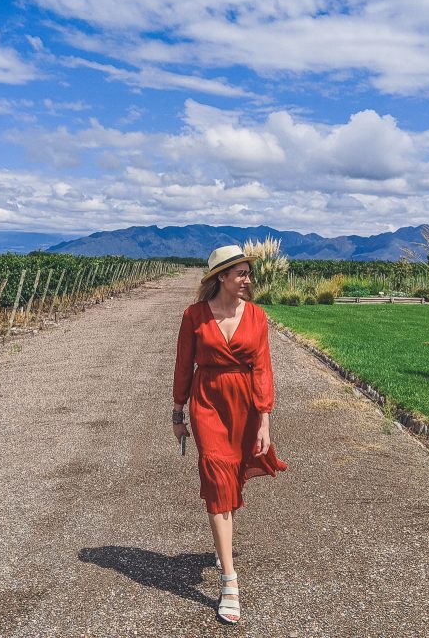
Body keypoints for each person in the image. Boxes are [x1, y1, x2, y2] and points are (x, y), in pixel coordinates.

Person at [172, 244, 288, 624]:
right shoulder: (194, 316)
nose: (248, 279)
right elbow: (183, 365)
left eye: (248, 273)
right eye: (240, 273)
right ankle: (229, 581)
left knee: (233, 480)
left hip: (245, 408)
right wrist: (178, 411)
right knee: (217, 480)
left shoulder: (257, 316)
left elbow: (262, 370)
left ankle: (225, 535)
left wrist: (265, 420)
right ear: (220, 277)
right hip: (206, 404)